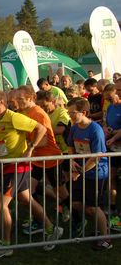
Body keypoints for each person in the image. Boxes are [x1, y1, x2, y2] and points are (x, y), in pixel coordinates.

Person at [0, 89, 63, 259]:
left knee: (0, 203)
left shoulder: (14, 117)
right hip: (6, 165)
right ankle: (52, 229)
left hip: (18, 166)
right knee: (27, 199)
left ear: (1, 102)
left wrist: (31, 148)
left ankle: (6, 244)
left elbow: (41, 129)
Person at [16, 86, 65, 234]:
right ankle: (39, 222)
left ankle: (77, 218)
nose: (17, 102)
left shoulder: (37, 113)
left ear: (30, 98)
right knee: (26, 193)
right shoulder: (26, 112)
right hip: (37, 159)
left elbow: (43, 141)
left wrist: (28, 147)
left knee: (62, 194)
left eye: (20, 99)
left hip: (51, 158)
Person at [66, 98, 111, 250]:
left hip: (96, 172)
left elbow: (97, 156)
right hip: (80, 170)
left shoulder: (95, 130)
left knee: (93, 207)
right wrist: (72, 162)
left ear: (83, 112)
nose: (69, 115)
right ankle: (97, 223)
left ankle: (105, 238)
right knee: (76, 203)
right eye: (68, 112)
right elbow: (70, 146)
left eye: (72, 112)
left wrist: (79, 171)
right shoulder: (74, 127)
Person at [102, 82, 121, 224]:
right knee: (112, 177)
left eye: (110, 97)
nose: (109, 100)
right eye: (107, 98)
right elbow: (105, 123)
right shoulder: (109, 108)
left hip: (118, 145)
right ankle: (113, 206)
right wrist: (106, 130)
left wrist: (113, 135)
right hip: (112, 147)